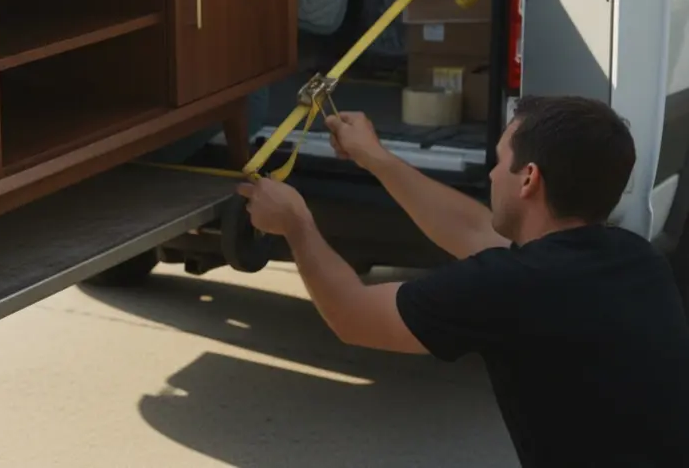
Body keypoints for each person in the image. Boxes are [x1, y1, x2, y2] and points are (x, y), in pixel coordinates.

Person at [238, 95, 689, 468]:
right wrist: (375, 158)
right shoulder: (637, 259)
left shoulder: (511, 287)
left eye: (500, 160)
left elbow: (351, 314)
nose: (491, 174)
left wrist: (295, 223)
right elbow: (472, 229)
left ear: (529, 178)